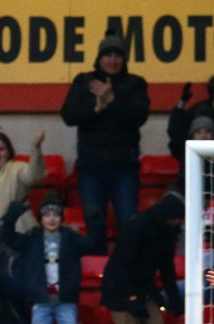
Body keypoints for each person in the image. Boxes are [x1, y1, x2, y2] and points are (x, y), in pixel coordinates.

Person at [61, 29, 150, 252]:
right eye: (108, 55)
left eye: (118, 55)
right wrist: (96, 108)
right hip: (90, 169)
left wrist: (112, 100)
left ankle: (126, 272)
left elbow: (138, 117)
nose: (113, 60)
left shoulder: (135, 84)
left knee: (128, 223)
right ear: (99, 58)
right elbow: (69, 116)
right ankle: (99, 269)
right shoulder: (83, 82)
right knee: (94, 224)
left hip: (124, 168)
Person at [1, 196, 98, 324]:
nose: (51, 219)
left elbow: (93, 243)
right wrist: (12, 216)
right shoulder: (31, 238)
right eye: (47, 215)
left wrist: (94, 221)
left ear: (61, 218)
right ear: (41, 218)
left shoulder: (71, 238)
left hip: (65, 298)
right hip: (41, 299)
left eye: (56, 215)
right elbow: (8, 238)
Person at [101, 190, 184, 324]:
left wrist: (175, 301)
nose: (179, 222)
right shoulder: (136, 227)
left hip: (145, 287)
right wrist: (132, 298)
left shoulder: (169, 233)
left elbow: (167, 268)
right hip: (118, 289)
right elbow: (122, 265)